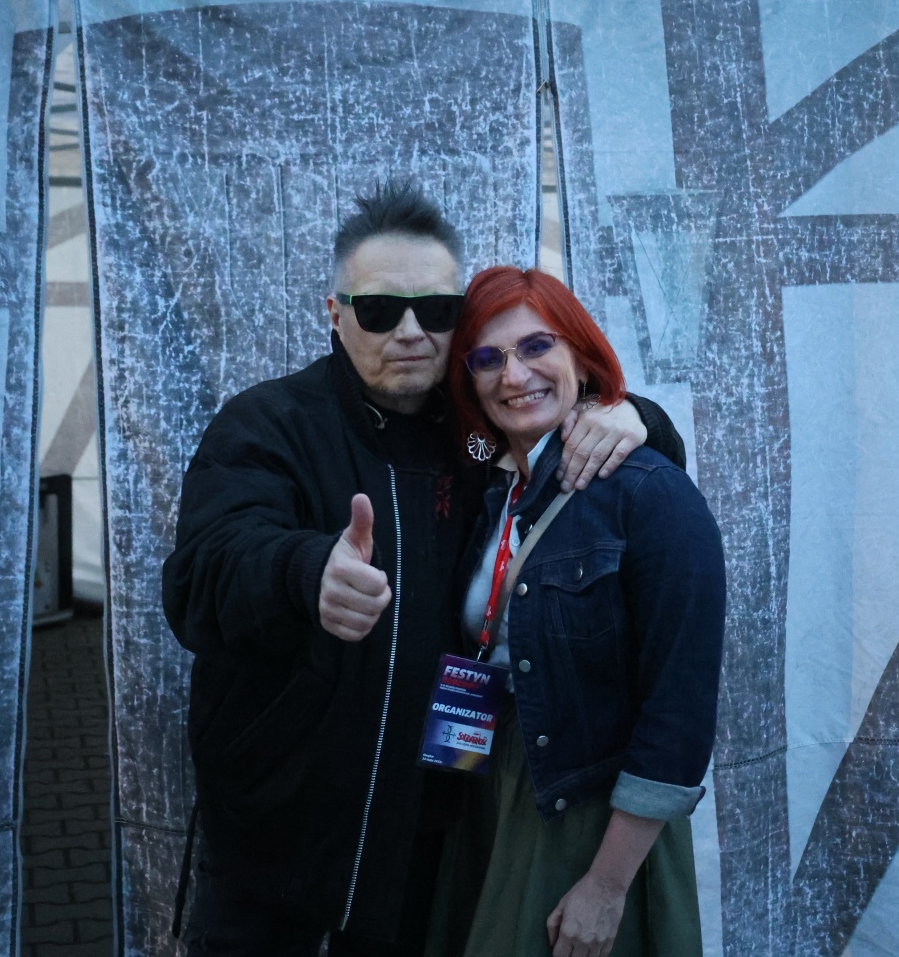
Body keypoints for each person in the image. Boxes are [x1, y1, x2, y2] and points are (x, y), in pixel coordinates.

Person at [162, 181, 685, 956]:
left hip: (427, 835)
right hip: (280, 846)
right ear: (335, 312)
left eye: (436, 310)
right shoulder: (270, 423)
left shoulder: (472, 435)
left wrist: (639, 416)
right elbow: (203, 571)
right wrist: (303, 571)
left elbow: (572, 433)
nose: (409, 331)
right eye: (379, 309)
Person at [427, 267, 725, 957]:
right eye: (488, 358)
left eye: (538, 346)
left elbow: (680, 711)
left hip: (590, 817)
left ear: (582, 357)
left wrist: (607, 884)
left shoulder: (652, 496)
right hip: (487, 793)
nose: (514, 374)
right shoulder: (490, 486)